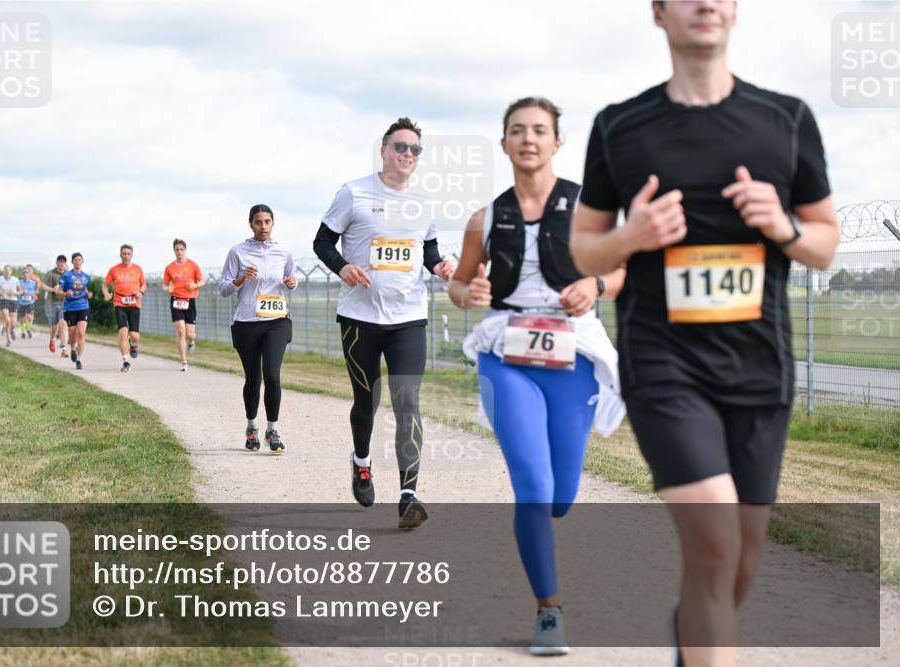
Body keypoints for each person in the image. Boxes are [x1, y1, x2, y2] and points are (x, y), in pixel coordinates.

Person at [569, 3, 840, 666]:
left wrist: (784, 227)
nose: (708, 4)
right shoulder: (620, 125)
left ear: (736, 10)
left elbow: (824, 243)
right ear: (659, 13)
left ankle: (690, 636)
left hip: (758, 368)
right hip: (664, 363)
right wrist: (630, 237)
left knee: (738, 563)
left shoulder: (786, 119)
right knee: (716, 545)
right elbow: (584, 248)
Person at [448, 97, 626, 655]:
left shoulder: (589, 210)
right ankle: (549, 611)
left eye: (540, 130)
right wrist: (469, 293)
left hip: (572, 356)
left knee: (561, 496)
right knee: (533, 485)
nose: (529, 138)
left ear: (557, 142)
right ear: (504, 143)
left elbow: (624, 268)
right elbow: (458, 284)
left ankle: (543, 531)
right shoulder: (484, 218)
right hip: (506, 355)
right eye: (518, 130)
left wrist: (595, 286)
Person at [312, 117, 455, 529]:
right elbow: (322, 242)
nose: (408, 154)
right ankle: (361, 462)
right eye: (400, 147)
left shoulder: (424, 202)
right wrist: (343, 267)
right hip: (360, 318)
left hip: (408, 317)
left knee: (407, 401)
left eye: (415, 149)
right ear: (384, 150)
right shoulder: (353, 192)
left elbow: (428, 248)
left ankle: (408, 496)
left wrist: (439, 265)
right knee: (367, 401)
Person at [220, 205, 296, 453]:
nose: (263, 226)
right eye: (258, 222)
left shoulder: (284, 252)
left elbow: (291, 280)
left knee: (272, 374)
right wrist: (241, 279)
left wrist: (291, 283)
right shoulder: (238, 252)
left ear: (273, 223)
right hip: (247, 322)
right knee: (253, 378)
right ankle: (252, 426)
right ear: (251, 224)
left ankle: (272, 430)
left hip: (277, 320)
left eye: (267, 222)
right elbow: (224, 289)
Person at [103, 244, 146, 372]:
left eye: (128, 254)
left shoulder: (138, 269)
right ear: (120, 255)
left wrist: (141, 292)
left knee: (134, 335)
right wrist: (106, 294)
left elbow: (144, 284)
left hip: (134, 304)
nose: (126, 256)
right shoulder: (114, 270)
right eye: (124, 253)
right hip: (119, 303)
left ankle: (133, 344)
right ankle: (126, 361)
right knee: (123, 331)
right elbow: (105, 284)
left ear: (132, 255)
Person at [163, 238, 205, 371]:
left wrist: (195, 285)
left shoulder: (193, 265)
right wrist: (168, 288)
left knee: (190, 334)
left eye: (181, 249)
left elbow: (202, 281)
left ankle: (191, 341)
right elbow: (164, 285)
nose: (179, 252)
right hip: (176, 300)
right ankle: (184, 362)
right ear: (174, 251)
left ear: (185, 250)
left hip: (189, 301)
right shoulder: (170, 267)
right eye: (177, 249)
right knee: (181, 331)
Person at [57, 253, 93, 370]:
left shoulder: (86, 276)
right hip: (70, 308)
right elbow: (58, 290)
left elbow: (85, 289)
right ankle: (73, 348)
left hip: (83, 306)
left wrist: (88, 294)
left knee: (81, 333)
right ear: (72, 262)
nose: (78, 262)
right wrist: (65, 293)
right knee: (72, 335)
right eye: (75, 260)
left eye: (79, 260)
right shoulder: (66, 275)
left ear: (82, 262)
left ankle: (79, 359)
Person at [40, 255, 70, 357]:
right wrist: (53, 289)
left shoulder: (68, 274)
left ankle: (64, 350)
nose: (61, 264)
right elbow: (42, 285)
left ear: (65, 264)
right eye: (60, 262)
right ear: (56, 263)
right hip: (52, 303)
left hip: (64, 303)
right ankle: (52, 339)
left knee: (63, 324)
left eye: (63, 262)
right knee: (55, 326)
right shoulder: (51, 273)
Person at [0, 265, 21, 347]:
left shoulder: (15, 280)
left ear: (11, 271)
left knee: (13, 324)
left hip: (13, 301)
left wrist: (15, 293)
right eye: (5, 270)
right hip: (4, 301)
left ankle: (12, 331)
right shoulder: (0, 279)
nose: (7, 271)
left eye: (8, 270)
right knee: (7, 321)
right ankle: (8, 340)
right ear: (4, 271)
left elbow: (20, 291)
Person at [17, 265, 39, 339]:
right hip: (21, 302)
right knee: (22, 318)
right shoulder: (19, 282)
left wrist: (33, 294)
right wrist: (21, 292)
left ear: (29, 274)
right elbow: (16, 290)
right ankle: (23, 331)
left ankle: (28, 329)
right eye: (24, 273)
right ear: (22, 274)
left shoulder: (33, 283)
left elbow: (37, 291)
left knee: (30, 317)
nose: (25, 274)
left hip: (30, 302)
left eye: (27, 273)